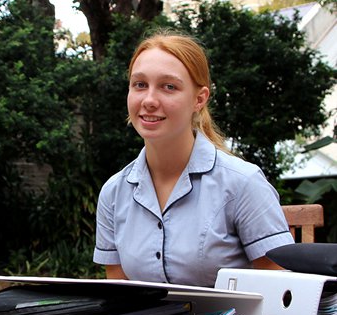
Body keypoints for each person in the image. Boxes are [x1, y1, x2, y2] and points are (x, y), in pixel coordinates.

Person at [93, 30, 294, 287]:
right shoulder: (113, 193)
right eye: (140, 85)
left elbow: (280, 291)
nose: (150, 100)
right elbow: (119, 295)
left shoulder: (243, 184)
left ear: (199, 99)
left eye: (169, 87)